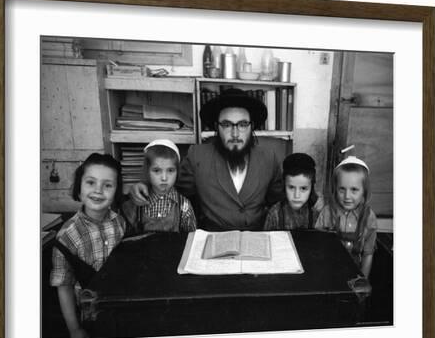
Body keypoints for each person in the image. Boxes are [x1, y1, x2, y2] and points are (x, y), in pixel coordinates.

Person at [130, 88, 283, 231]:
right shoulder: (198, 155)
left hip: (256, 237)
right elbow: (170, 184)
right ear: (217, 127)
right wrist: (144, 183)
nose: (235, 133)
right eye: (227, 124)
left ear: (252, 126)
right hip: (213, 237)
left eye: (242, 124)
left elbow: (279, 201)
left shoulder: (269, 157)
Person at [50, 153, 126, 338]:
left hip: (120, 308)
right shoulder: (66, 237)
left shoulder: (120, 223)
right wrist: (74, 329)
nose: (98, 190)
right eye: (90, 182)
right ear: (79, 187)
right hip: (89, 316)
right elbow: (64, 286)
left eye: (107, 185)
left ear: (116, 191)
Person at [315, 156, 378, 279]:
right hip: (328, 273)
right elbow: (318, 248)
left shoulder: (369, 217)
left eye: (354, 190)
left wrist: (362, 281)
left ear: (364, 191)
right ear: (335, 189)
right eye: (342, 189)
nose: (347, 196)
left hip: (355, 276)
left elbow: (368, 254)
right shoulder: (327, 213)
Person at [122, 139, 196, 234]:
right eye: (157, 171)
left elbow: (192, 238)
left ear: (177, 172)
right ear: (147, 171)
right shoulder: (137, 204)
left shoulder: (184, 206)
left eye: (170, 170)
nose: (164, 178)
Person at [263, 152, 323, 230]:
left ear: (312, 187)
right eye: (291, 187)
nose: (296, 195)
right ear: (284, 185)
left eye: (303, 188)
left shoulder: (317, 213)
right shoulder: (275, 214)